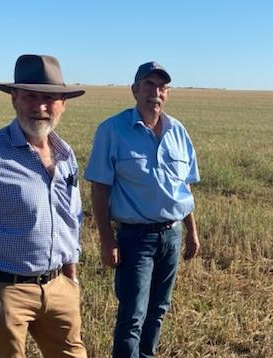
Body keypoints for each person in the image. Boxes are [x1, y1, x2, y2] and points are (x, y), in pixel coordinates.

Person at [0, 54, 87, 358]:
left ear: (63, 103)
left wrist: (71, 278)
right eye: (31, 96)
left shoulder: (66, 155)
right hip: (5, 293)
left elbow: (72, 221)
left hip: (60, 288)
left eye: (49, 98)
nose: (40, 106)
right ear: (14, 99)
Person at [85, 61, 200, 358]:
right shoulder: (113, 130)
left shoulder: (178, 131)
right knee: (133, 316)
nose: (156, 92)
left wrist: (191, 232)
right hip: (135, 239)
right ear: (135, 90)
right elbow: (99, 188)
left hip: (171, 235)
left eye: (162, 87)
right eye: (148, 85)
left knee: (158, 311)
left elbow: (183, 188)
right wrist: (107, 239)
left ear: (168, 93)